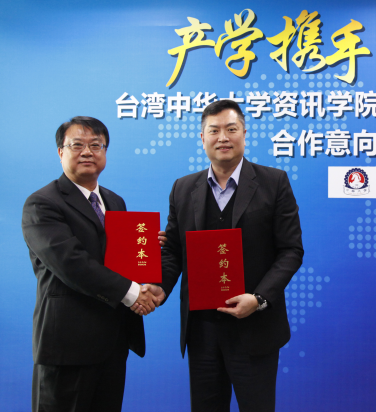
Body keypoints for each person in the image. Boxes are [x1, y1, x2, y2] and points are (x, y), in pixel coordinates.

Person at [160, 99, 304, 412]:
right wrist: (158, 288)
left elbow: (291, 250)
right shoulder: (182, 188)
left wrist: (259, 299)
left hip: (255, 328)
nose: (223, 137)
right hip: (202, 330)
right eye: (214, 131)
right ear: (202, 138)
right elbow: (172, 251)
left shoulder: (274, 182)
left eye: (231, 129)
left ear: (244, 133)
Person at [21, 116, 166, 412]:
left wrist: (146, 250)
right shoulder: (43, 203)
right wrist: (133, 293)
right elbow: (71, 263)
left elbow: (116, 258)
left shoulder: (114, 201)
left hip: (113, 341)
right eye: (77, 145)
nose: (87, 152)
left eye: (96, 145)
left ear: (105, 152)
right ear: (60, 152)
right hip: (67, 345)